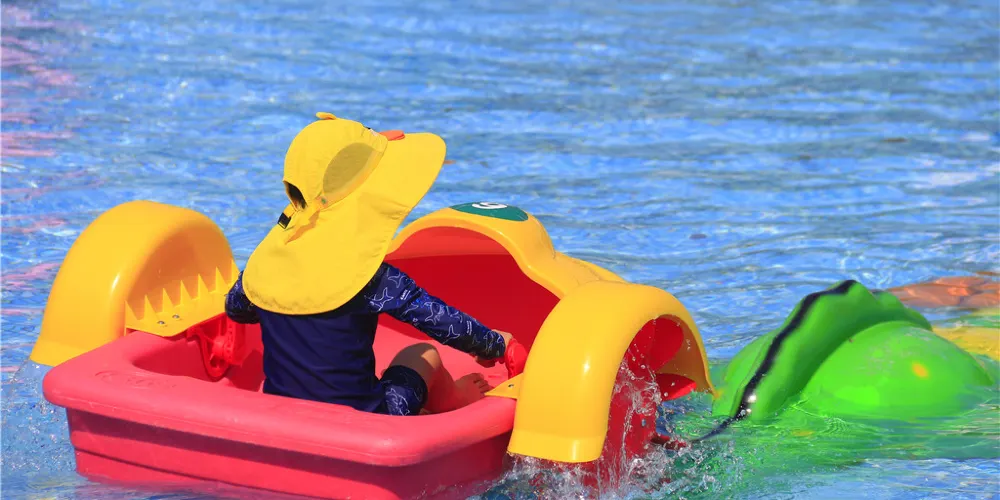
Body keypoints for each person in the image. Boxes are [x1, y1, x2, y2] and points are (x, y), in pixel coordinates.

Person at [224, 112, 513, 416]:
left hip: (283, 416)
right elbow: (439, 320)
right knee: (422, 354)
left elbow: (237, 308)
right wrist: (494, 344)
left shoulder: (266, 264)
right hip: (365, 421)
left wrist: (289, 308)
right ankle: (454, 399)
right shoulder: (368, 276)